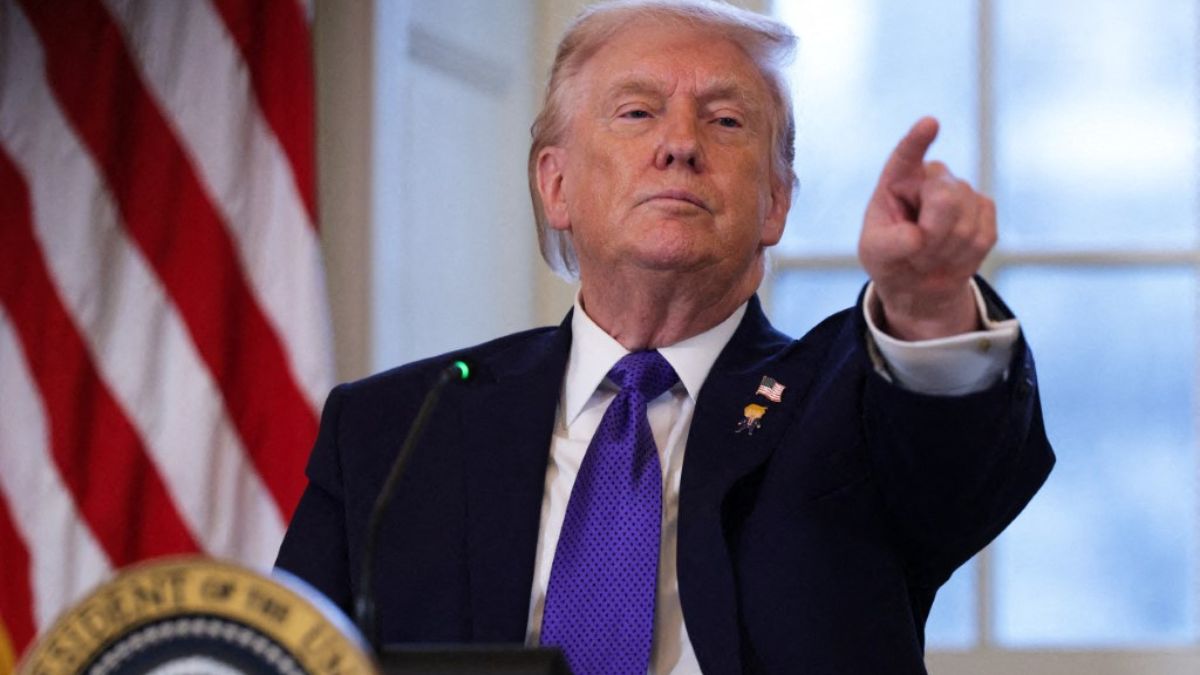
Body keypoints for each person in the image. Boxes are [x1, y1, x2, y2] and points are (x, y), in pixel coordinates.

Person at [276, 1, 1054, 673]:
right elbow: (285, 654)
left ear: (776, 203)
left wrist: (925, 302)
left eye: (725, 121)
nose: (680, 144)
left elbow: (954, 451)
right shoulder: (399, 429)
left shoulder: (845, 402)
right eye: (638, 112)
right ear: (556, 185)